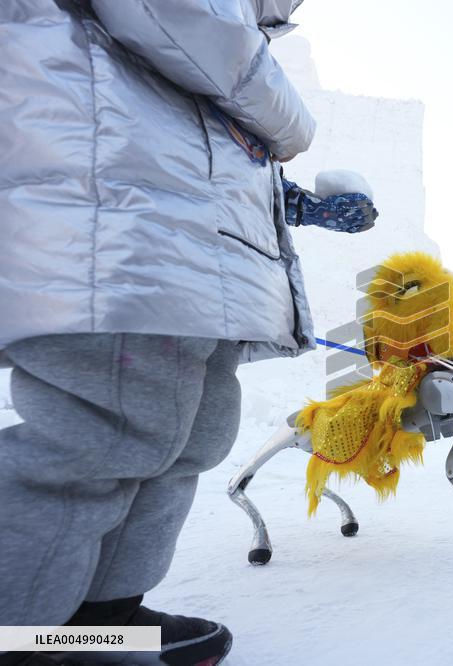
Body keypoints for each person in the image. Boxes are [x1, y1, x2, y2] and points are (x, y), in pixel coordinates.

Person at [0, 2, 372, 663]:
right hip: (115, 228)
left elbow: (197, 131)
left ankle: (96, 621)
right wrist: (293, 126)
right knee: (95, 438)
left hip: (186, 247)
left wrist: (295, 203)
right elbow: (175, 17)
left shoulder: (227, 47)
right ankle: (18, 633)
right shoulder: (230, 43)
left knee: (186, 440)